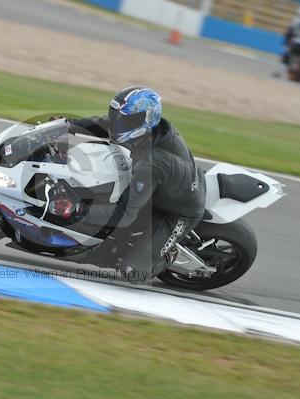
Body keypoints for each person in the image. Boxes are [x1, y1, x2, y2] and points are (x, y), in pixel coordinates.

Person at [68, 87, 206, 283]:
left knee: (133, 272)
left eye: (126, 120)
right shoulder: (150, 129)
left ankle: (168, 253)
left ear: (146, 119)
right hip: (164, 187)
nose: (118, 124)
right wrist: (68, 124)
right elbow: (105, 124)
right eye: (118, 117)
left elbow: (125, 215)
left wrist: (78, 210)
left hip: (177, 212)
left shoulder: (152, 163)